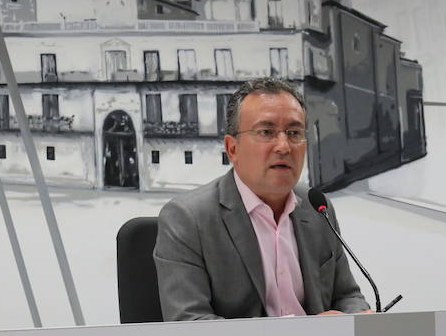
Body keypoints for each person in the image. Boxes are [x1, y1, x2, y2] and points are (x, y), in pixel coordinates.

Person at [153, 77, 370, 321]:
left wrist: (358, 317)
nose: (283, 146)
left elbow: (347, 295)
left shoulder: (317, 207)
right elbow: (191, 323)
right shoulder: (188, 219)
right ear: (232, 148)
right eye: (266, 132)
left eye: (294, 132)